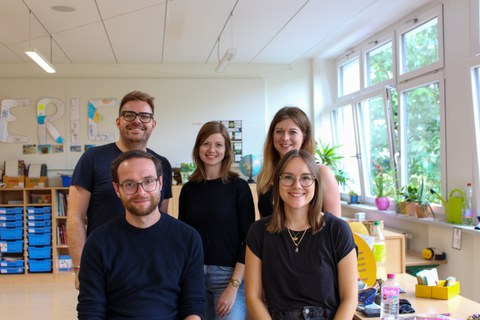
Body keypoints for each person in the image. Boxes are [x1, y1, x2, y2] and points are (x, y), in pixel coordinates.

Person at [77, 150, 205, 319]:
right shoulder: (98, 243)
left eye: (148, 181)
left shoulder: (188, 239)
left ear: (160, 183)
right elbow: (91, 310)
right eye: (129, 184)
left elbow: (193, 306)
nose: (141, 192)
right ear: (117, 189)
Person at [67, 90, 172, 289]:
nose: (137, 121)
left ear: (153, 124)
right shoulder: (92, 159)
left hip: (149, 266)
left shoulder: (162, 164)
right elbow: (75, 217)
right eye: (129, 115)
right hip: (103, 263)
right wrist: (80, 267)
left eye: (144, 116)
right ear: (118, 121)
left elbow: (161, 218)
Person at [245, 150, 358, 319]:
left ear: (316, 184)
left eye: (305, 178)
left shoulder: (338, 230)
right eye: (288, 177)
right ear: (277, 182)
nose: (297, 185)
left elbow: (349, 299)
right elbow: (253, 297)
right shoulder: (259, 231)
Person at [179, 121, 255, 320]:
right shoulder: (188, 189)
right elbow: (183, 239)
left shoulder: (239, 188)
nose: (212, 149)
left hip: (228, 278)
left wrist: (233, 286)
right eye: (206, 143)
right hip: (194, 276)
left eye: (218, 145)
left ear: (226, 150)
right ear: (198, 148)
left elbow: (248, 240)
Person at [256, 106, 341, 218]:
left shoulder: (321, 172)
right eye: (279, 131)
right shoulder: (265, 175)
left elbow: (335, 226)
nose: (285, 138)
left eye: (292, 132)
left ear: (304, 137)